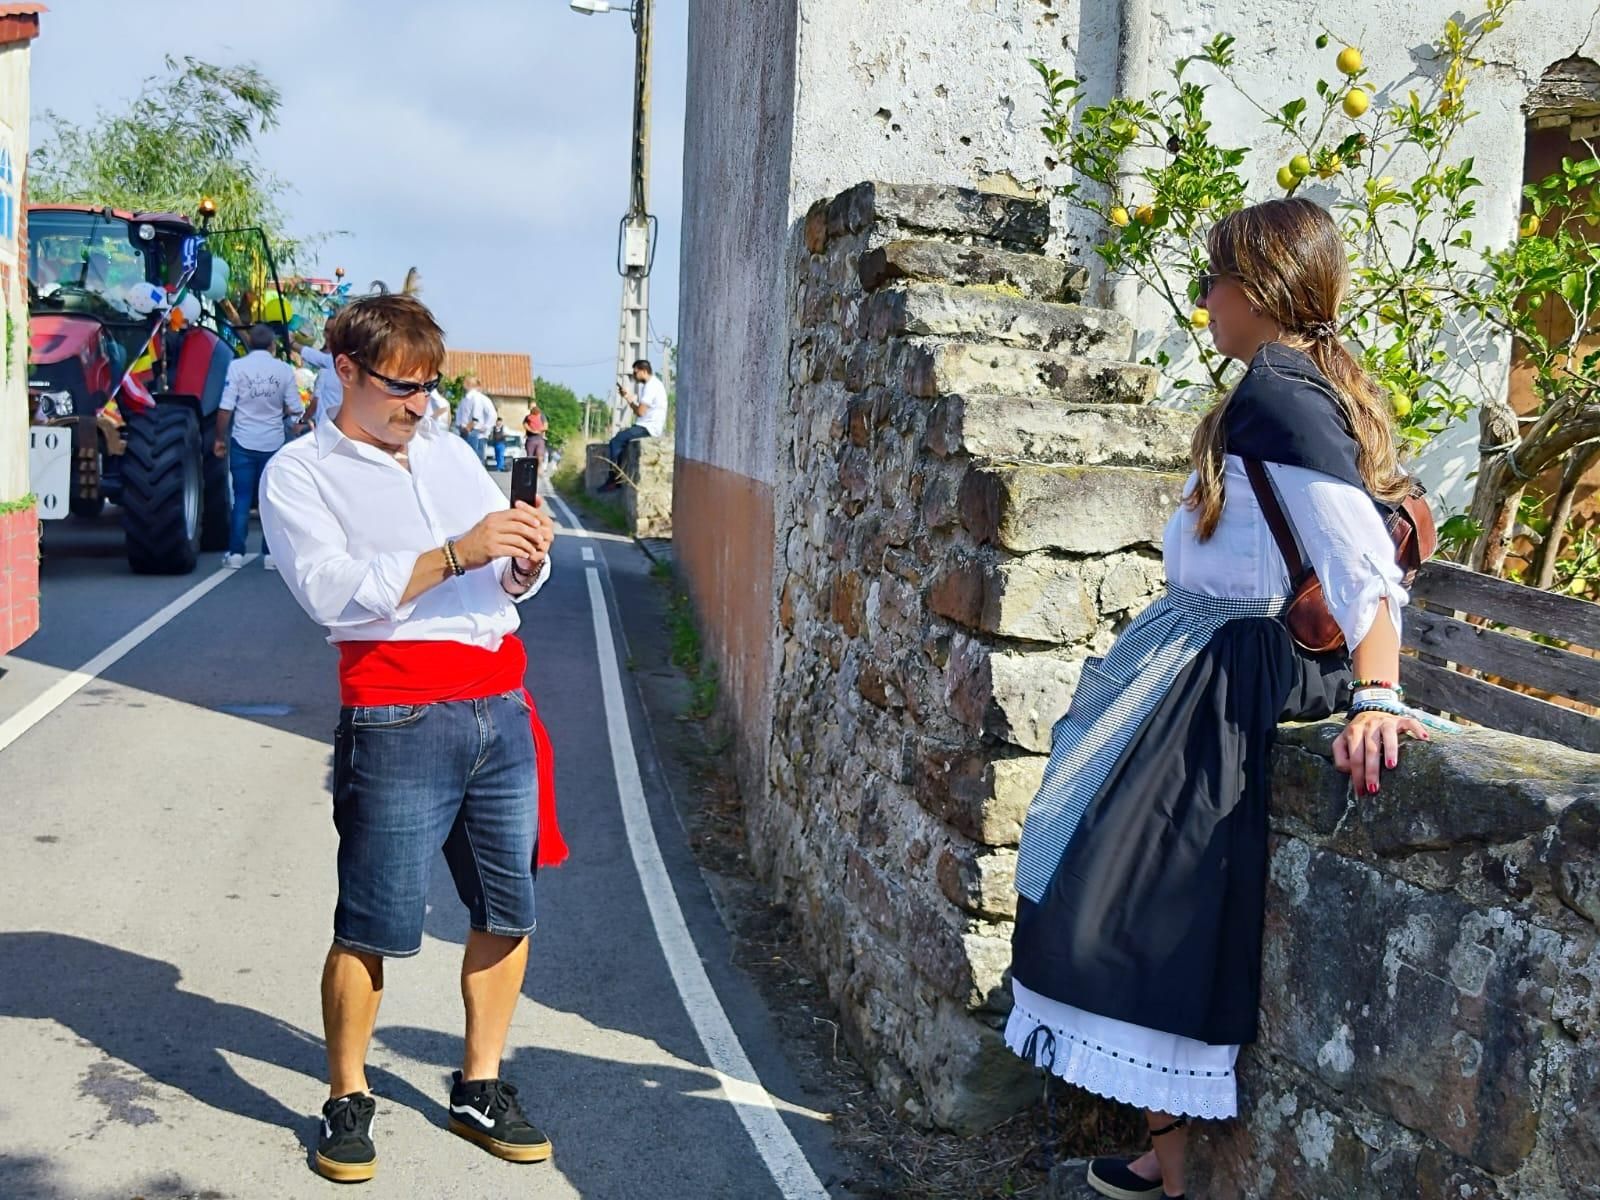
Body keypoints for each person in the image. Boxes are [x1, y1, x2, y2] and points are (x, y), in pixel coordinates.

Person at [1003, 198, 1429, 1200]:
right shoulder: (1281, 383)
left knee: (1126, 907)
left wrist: (1377, 694)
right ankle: (1165, 1155)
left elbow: (1361, 560)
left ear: (1258, 291)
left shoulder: (1277, 392)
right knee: (1103, 883)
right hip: (1196, 664)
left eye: (1213, 281)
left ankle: (1180, 1174)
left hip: (1224, 682)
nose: (1202, 298)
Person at [259, 295, 565, 1185]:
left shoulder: (450, 450)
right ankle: (346, 1098)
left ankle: (480, 1084)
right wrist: (463, 554)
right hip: (395, 716)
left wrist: (522, 562)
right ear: (345, 370)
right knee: (372, 927)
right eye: (402, 387)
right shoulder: (298, 473)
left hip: (499, 705)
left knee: (508, 911)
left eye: (431, 387)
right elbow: (330, 592)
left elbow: (505, 585)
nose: (419, 406)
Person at [215, 323, 303, 570]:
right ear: (273, 345)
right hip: (273, 443)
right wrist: (293, 423)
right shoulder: (283, 370)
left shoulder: (237, 367)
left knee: (241, 498)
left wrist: (219, 439)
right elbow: (296, 408)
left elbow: (225, 408)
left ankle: (235, 554)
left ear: (249, 343)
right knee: (270, 500)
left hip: (243, 441)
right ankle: (270, 556)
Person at [599, 359, 667, 491]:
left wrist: (629, 401)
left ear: (643, 371)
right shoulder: (653, 385)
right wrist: (628, 398)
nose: (634, 376)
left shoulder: (651, 387)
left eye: (635, 373)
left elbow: (640, 412)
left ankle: (614, 479)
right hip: (647, 425)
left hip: (649, 427)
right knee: (620, 439)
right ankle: (616, 478)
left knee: (616, 441)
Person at [299, 337, 346, 426]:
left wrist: (302, 421)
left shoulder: (330, 365)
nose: (325, 335)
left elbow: (316, 401)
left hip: (324, 423)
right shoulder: (333, 361)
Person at [456, 375, 496, 466]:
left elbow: (477, 417)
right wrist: (459, 427)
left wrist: (485, 427)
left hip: (473, 432)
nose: (463, 385)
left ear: (470, 384)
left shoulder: (477, 397)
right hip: (464, 430)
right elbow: (460, 414)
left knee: (474, 460)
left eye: (466, 383)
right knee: (465, 460)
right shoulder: (465, 398)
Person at [522, 402, 548, 473]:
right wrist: (533, 431)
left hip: (539, 439)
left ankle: (539, 470)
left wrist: (537, 430)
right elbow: (525, 425)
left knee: (539, 456)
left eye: (533, 407)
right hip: (531, 439)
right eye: (531, 407)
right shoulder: (527, 417)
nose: (532, 408)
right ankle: (530, 471)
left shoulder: (542, 416)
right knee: (530, 456)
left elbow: (545, 426)